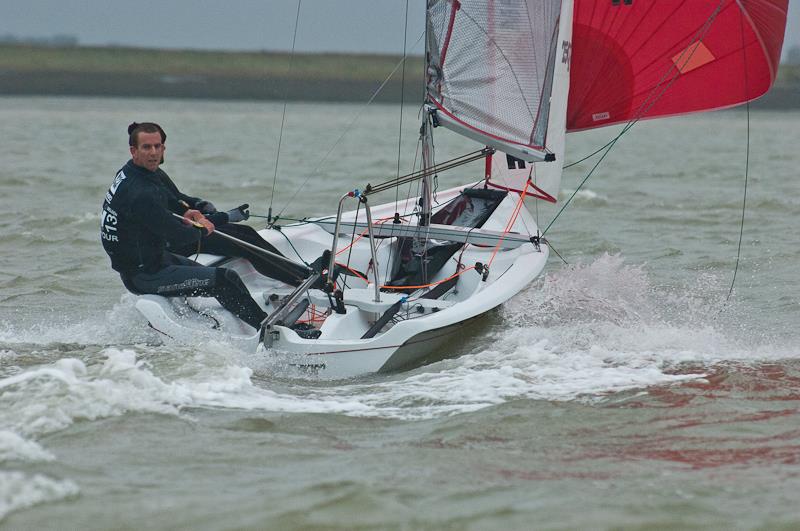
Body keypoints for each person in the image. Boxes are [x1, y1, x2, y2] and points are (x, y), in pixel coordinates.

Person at [101, 121, 270, 330]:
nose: (153, 153)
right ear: (133, 151)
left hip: (156, 259)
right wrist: (217, 220)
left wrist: (188, 211)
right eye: (146, 147)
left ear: (163, 148)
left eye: (157, 146)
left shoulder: (137, 173)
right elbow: (181, 236)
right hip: (144, 275)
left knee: (225, 278)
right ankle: (267, 329)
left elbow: (169, 202)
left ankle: (259, 322)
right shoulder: (140, 192)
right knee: (224, 279)